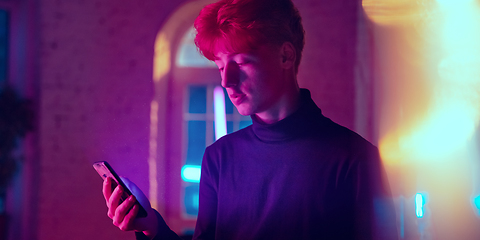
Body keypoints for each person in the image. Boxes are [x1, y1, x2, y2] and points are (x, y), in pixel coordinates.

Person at [102, 0, 398, 239]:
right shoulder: (220, 158)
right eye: (220, 67)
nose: (227, 81)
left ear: (286, 56)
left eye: (241, 62)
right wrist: (150, 224)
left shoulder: (356, 160)